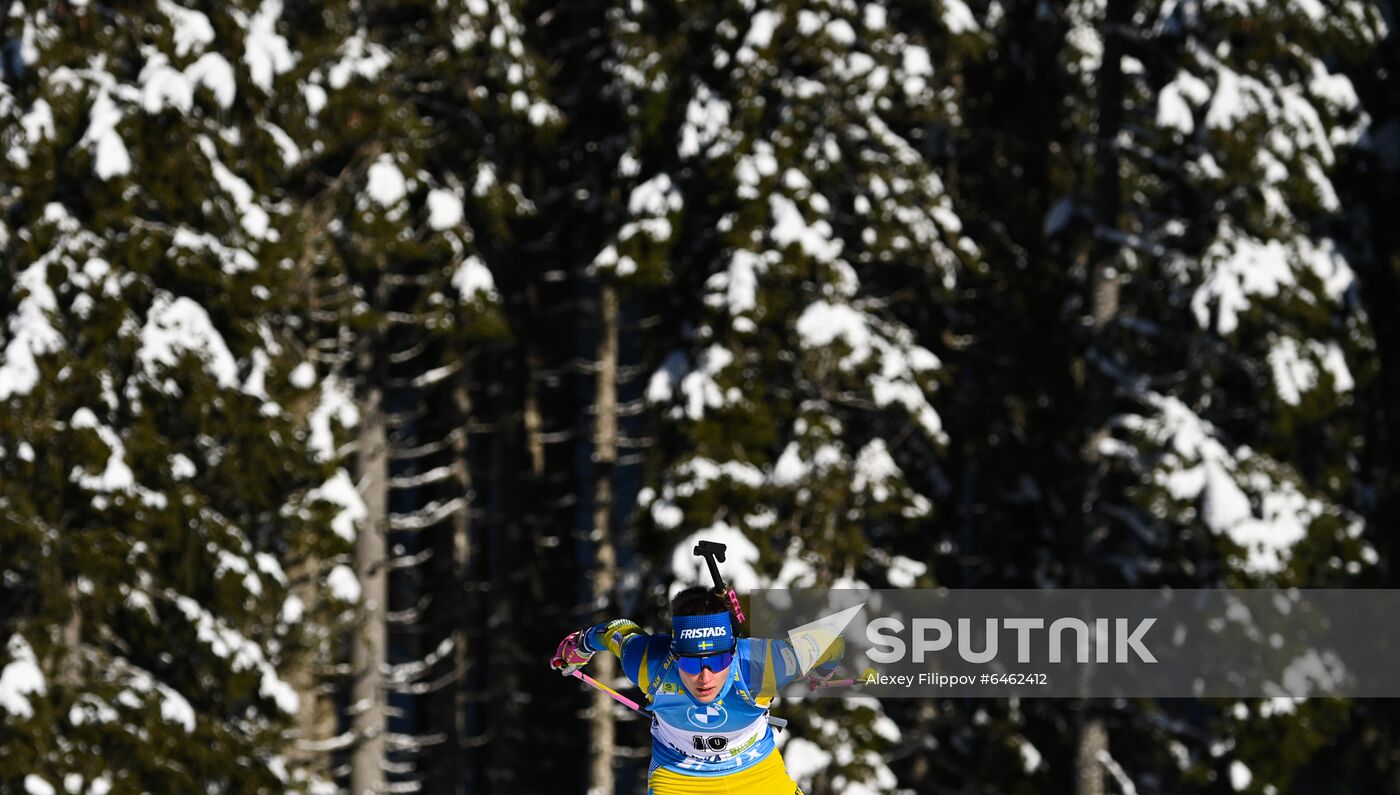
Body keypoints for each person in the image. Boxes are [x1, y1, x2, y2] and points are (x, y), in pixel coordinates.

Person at [551, 586, 843, 795]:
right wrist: (581, 644)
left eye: (718, 660)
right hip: (679, 779)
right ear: (675, 654)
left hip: (757, 774)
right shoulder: (650, 663)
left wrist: (820, 672)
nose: (705, 677)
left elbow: (830, 642)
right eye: (691, 664)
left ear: (732, 651)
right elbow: (616, 632)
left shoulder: (762, 664)